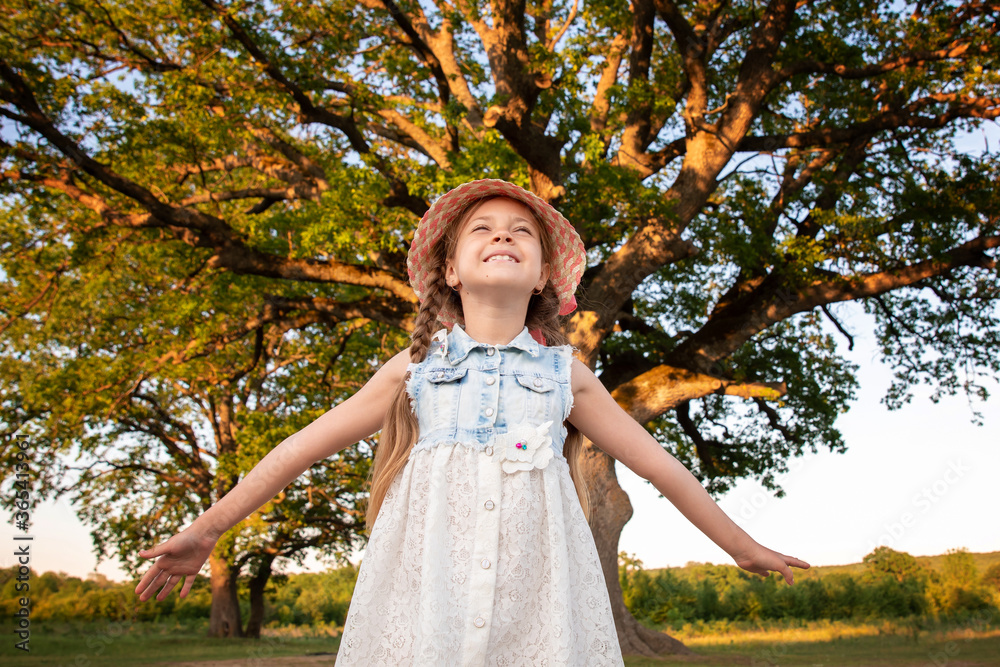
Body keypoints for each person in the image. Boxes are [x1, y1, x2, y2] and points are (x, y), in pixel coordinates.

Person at [134, 179, 809, 665]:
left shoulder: (564, 374)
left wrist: (739, 544)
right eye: (482, 229)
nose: (503, 237)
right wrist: (206, 528)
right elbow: (299, 449)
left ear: (545, 275)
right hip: (430, 583)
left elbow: (658, 463)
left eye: (520, 233)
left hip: (536, 590)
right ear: (450, 269)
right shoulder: (415, 367)